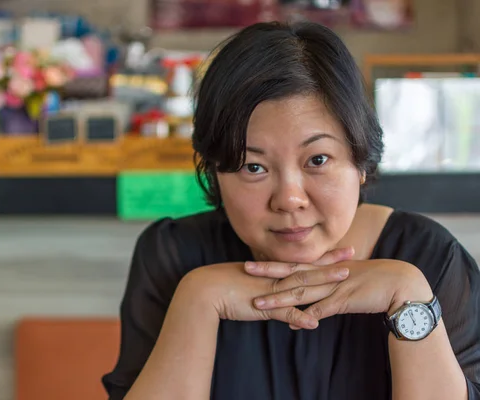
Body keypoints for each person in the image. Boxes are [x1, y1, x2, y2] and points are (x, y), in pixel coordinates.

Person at [102, 21, 480, 399]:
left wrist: (409, 296)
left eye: (317, 159)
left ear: (360, 161)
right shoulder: (172, 256)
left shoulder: (430, 259)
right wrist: (198, 300)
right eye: (254, 167)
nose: (289, 199)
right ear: (216, 174)